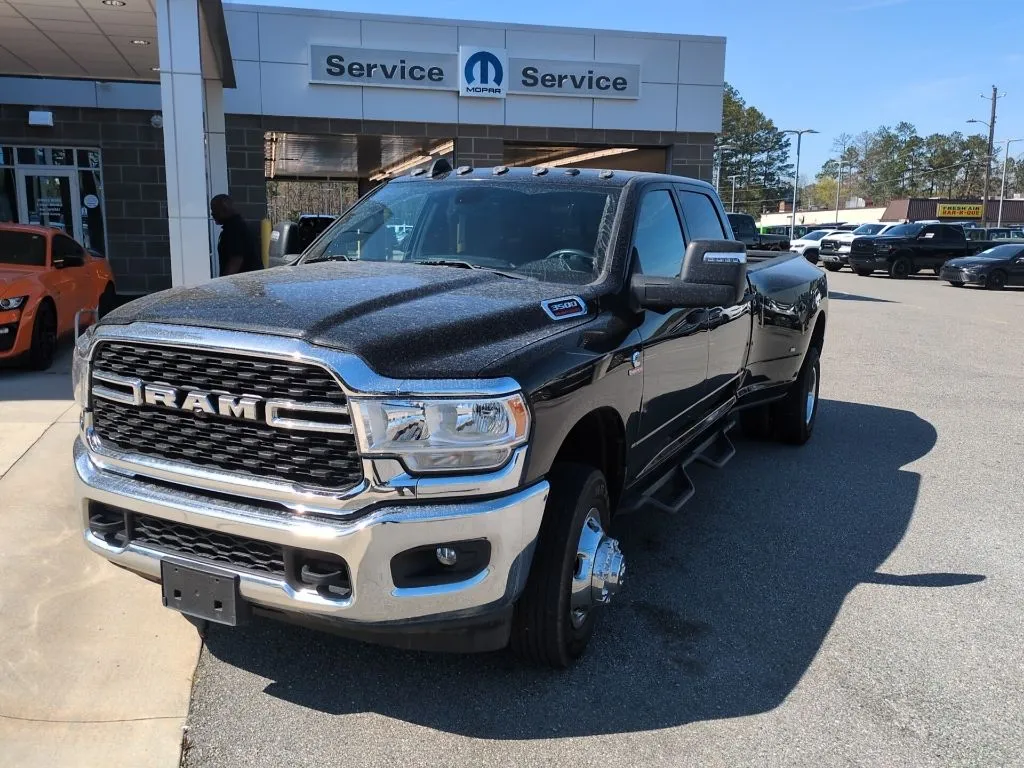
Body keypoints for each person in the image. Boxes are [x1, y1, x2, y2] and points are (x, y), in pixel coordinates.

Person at [210, 194, 262, 276]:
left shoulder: (234, 230)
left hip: (244, 285)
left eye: (214, 210)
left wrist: (224, 284)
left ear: (224, 209)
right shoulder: (237, 226)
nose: (212, 214)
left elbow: (236, 261)